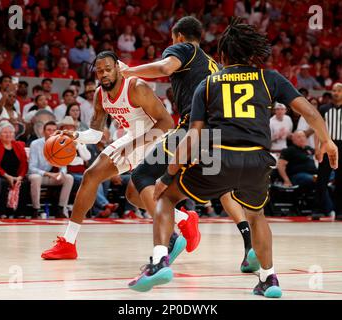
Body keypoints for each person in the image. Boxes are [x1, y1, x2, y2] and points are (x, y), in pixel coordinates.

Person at [130, 19, 338, 298]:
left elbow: (193, 136)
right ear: (252, 54)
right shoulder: (270, 78)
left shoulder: (208, 83)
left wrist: (168, 176)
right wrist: (326, 140)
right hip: (257, 161)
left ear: (224, 56)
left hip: (218, 157)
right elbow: (310, 111)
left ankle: (159, 262)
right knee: (257, 214)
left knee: (165, 198)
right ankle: (269, 278)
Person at [121, 16, 259, 275]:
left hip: (191, 131)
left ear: (179, 36)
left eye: (173, 40)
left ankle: (171, 237)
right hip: (221, 135)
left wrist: (128, 70)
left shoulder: (185, 49)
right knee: (224, 191)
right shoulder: (214, 65)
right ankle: (250, 244)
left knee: (140, 176)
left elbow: (164, 68)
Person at [41, 50, 174, 259]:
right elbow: (95, 134)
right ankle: (68, 243)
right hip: (132, 137)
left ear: (119, 70)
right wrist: (76, 136)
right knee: (91, 176)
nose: (103, 74)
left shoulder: (137, 87)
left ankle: (175, 230)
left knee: (134, 193)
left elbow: (167, 123)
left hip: (156, 139)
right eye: (99, 70)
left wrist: (134, 145)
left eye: (108, 69)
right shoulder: (99, 94)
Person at [28, 121, 74, 219]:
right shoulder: (35, 144)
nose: (51, 132)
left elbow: (63, 165)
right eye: (49, 130)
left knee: (69, 178)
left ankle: (61, 209)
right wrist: (49, 174)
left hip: (52, 176)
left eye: (54, 130)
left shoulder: (61, 143)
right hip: (38, 175)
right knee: (36, 178)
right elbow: (32, 168)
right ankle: (35, 210)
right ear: (43, 132)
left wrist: (61, 174)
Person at [316, 83, 342, 220]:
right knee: (322, 180)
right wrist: (317, 148)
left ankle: (339, 211)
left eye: (339, 91)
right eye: (334, 90)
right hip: (327, 145)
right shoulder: (324, 108)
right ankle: (322, 209)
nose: (336, 93)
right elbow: (316, 129)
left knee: (340, 181)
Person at [0, 122, 29, 218]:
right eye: (5, 132)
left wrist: (20, 177)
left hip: (16, 174)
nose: (8, 134)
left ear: (14, 134)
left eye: (10, 132)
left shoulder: (18, 145)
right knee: (3, 183)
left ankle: (20, 213)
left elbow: (24, 164)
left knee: (25, 183)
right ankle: (2, 212)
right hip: (1, 174)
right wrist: (7, 176)